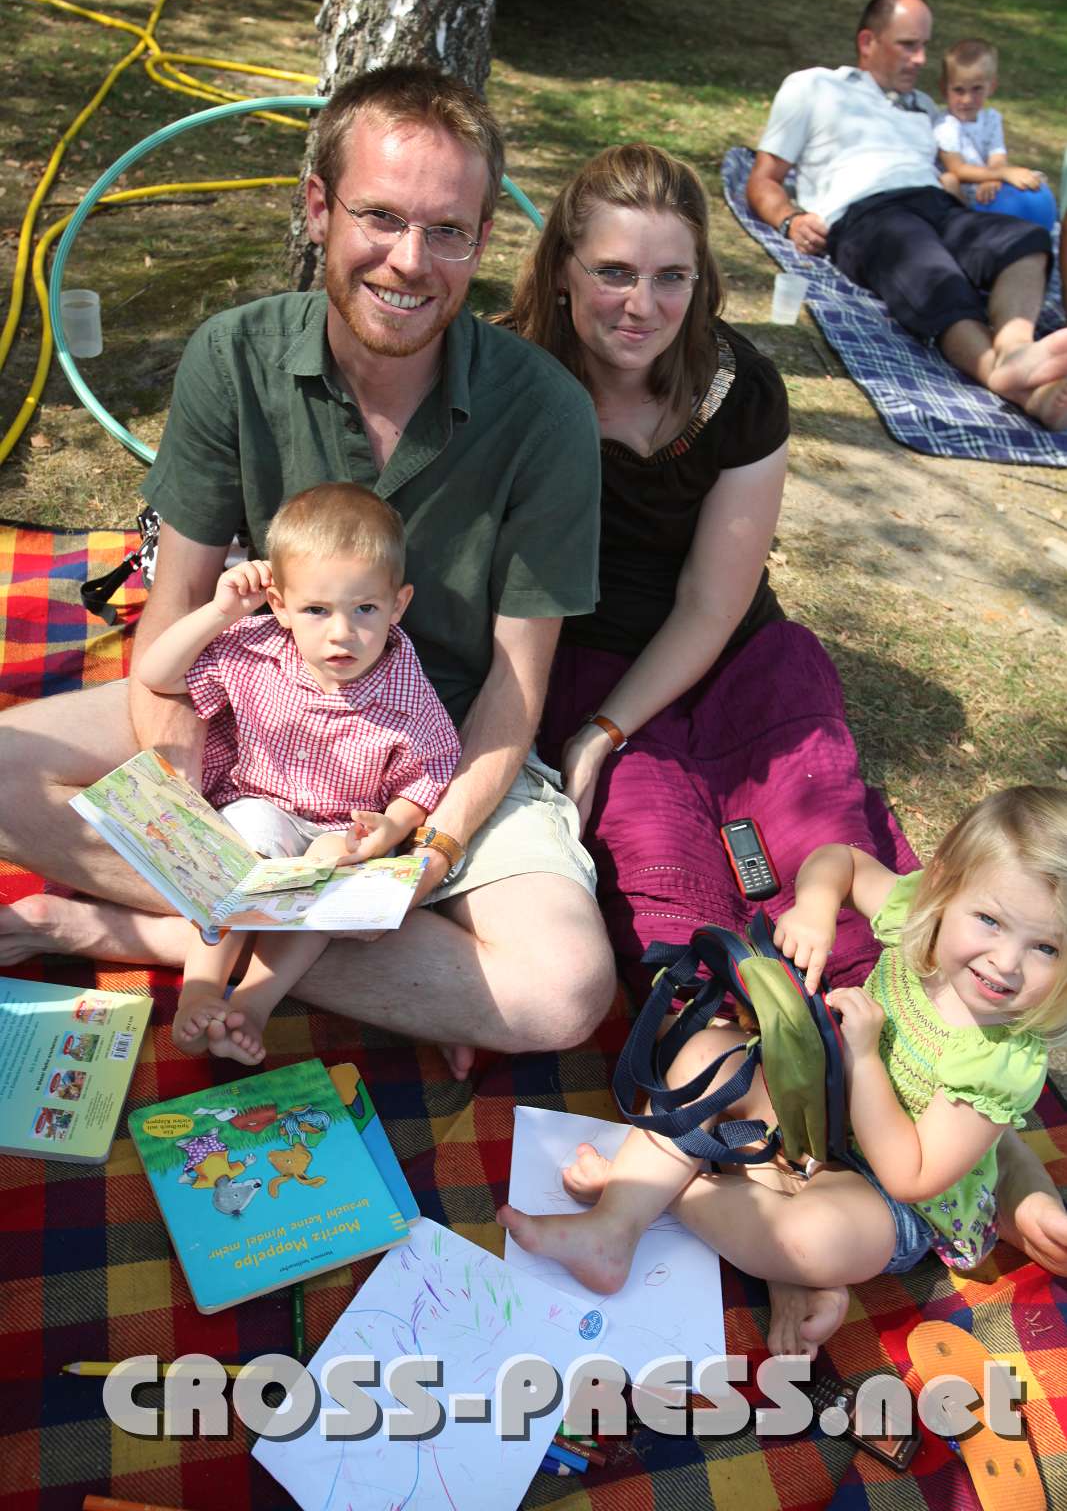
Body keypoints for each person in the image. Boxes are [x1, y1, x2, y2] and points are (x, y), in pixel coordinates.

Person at [0, 65, 616, 1078]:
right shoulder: (233, 355)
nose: (409, 261)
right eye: (380, 217)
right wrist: (190, 814)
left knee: (564, 991)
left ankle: (138, 932)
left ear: (480, 242)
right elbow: (175, 610)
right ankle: (354, 952)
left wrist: (430, 851)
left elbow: (513, 690)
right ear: (319, 207)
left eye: (447, 231)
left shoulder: (543, 409)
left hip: (437, 746)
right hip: (257, 707)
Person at [510, 140, 917, 1001]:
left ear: (701, 282)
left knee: (818, 844)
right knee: (659, 864)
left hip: (732, 655)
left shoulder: (741, 390)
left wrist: (600, 733)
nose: (641, 305)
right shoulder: (506, 378)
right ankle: (718, 1041)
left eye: (671, 277)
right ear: (561, 271)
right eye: (613, 272)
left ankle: (884, 1034)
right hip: (580, 657)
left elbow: (709, 602)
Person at [499, 787, 1067, 1356]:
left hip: (890, 1199)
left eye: (1046, 947)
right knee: (706, 1055)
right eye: (989, 920)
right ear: (943, 887)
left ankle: (660, 1192)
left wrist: (866, 1058)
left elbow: (909, 1176)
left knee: (810, 1239)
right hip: (821, 1107)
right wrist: (816, 908)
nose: (1006, 962)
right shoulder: (925, 915)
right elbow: (842, 861)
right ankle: (614, 1227)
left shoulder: (1003, 1061)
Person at [136, 483, 461, 1065]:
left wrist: (390, 827)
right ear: (280, 605)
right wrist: (221, 612)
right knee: (241, 845)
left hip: (339, 827)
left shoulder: (407, 692)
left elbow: (428, 772)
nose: (342, 632)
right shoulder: (257, 649)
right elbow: (158, 674)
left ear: (398, 605)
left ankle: (255, 1002)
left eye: (365, 609)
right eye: (316, 610)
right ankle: (202, 987)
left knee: (330, 881)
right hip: (260, 803)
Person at [746, 0, 1067, 430]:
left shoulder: (925, 108)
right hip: (866, 214)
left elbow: (953, 169)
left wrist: (981, 182)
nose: (920, 59)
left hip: (936, 203)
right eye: (908, 45)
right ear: (868, 42)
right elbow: (763, 179)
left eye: (924, 46)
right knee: (932, 269)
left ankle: (1017, 353)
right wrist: (790, 220)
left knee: (1024, 240)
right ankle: (1003, 376)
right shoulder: (813, 86)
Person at [934, 37, 1058, 231]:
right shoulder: (946, 125)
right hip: (962, 192)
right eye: (958, 90)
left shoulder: (991, 119)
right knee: (949, 181)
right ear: (944, 89)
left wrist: (994, 177)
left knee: (1031, 183)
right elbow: (957, 169)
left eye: (977, 89)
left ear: (991, 87)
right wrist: (999, 175)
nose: (967, 99)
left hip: (989, 185)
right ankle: (966, 220)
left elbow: (997, 157)